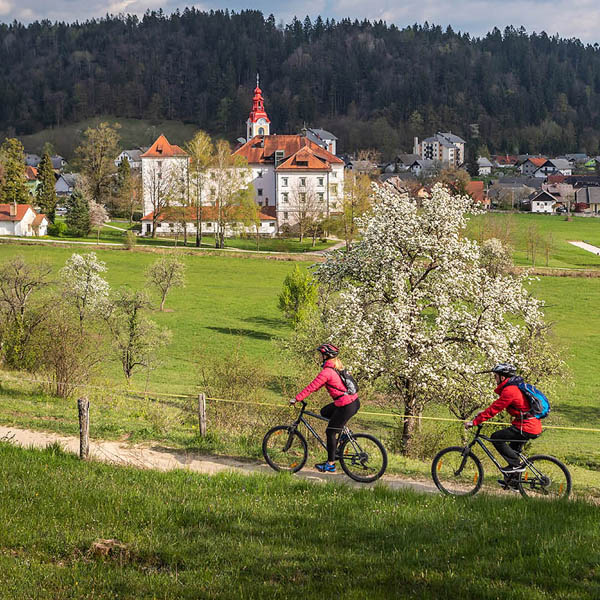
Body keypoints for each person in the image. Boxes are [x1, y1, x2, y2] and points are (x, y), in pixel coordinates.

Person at [464, 363, 542, 483]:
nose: (495, 379)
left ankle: (515, 466)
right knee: (512, 451)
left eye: (496, 376)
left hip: (526, 427)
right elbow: (496, 406)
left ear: (503, 377)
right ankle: (514, 482)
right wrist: (482, 413)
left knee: (496, 438)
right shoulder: (513, 388)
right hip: (529, 425)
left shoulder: (510, 391)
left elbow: (495, 409)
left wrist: (474, 422)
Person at [290, 343, 360, 473]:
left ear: (326, 355)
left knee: (330, 432)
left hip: (346, 405)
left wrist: (297, 398)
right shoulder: (337, 367)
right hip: (352, 402)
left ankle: (330, 464)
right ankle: (345, 433)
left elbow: (312, 387)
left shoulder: (327, 372)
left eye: (321, 354)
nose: (319, 357)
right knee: (325, 411)